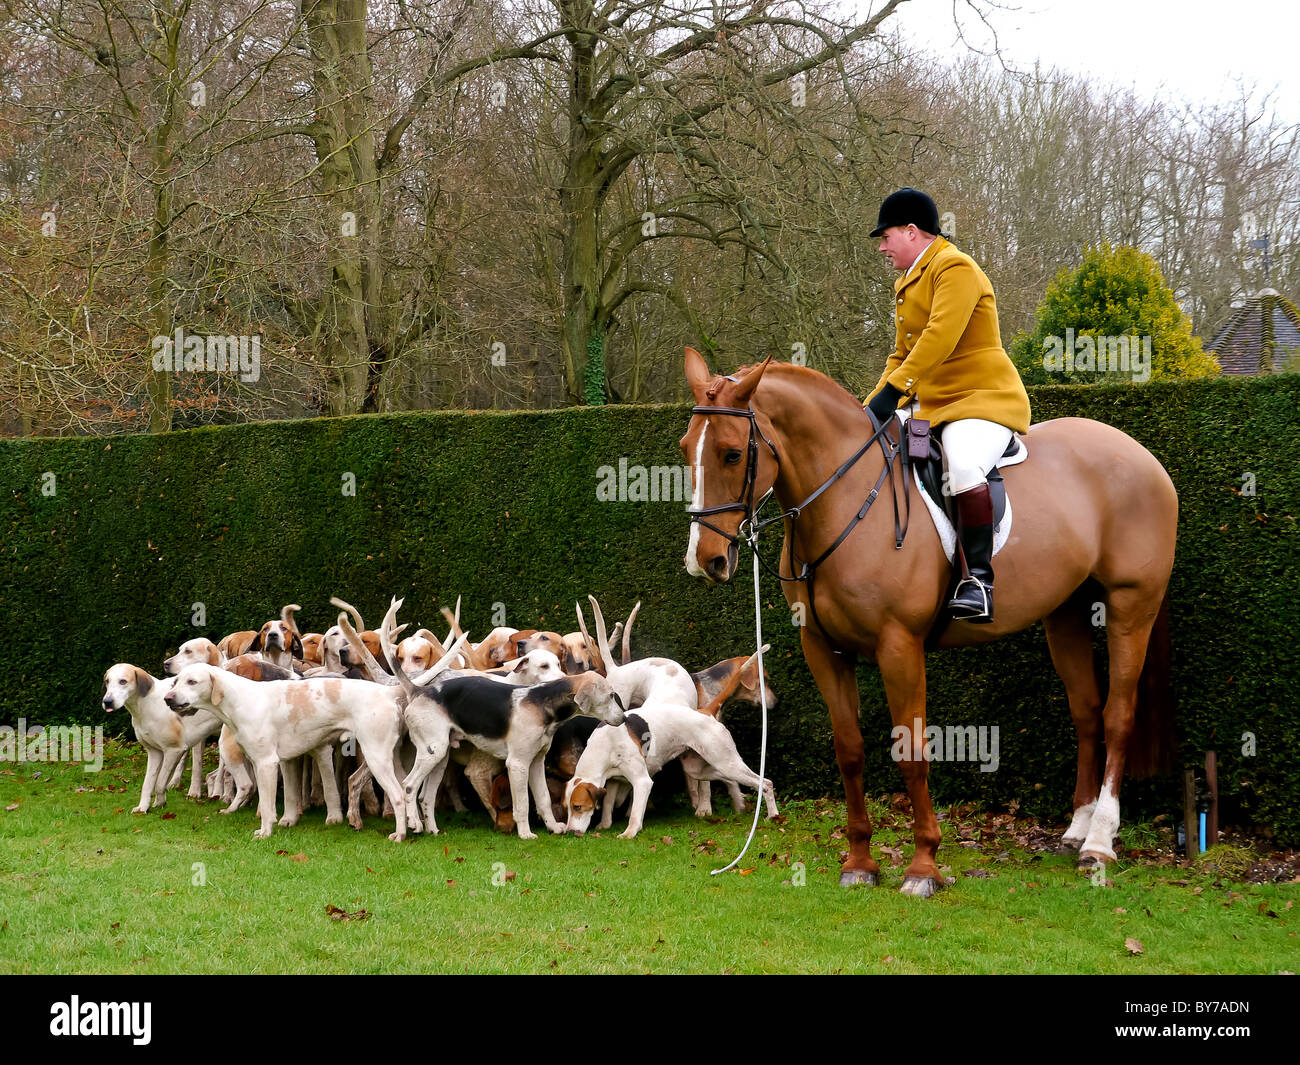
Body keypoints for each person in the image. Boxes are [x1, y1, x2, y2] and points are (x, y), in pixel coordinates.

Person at [863, 188, 1030, 623]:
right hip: (931, 402)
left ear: (912, 231)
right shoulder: (909, 280)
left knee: (963, 465)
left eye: (886, 237)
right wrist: (868, 408)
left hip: (980, 400)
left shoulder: (955, 268)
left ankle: (977, 581)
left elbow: (939, 337)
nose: (882, 247)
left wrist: (894, 391)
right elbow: (901, 355)